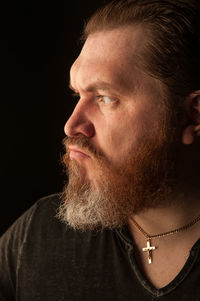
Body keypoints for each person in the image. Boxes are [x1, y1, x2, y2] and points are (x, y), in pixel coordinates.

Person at [1, 0, 200, 299]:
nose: (72, 126)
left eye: (105, 98)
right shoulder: (37, 236)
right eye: (77, 94)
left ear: (192, 115)